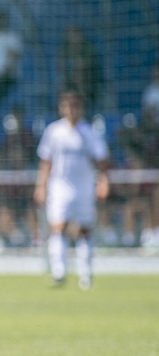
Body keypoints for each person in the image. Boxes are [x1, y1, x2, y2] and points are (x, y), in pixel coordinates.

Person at [34, 92, 110, 290]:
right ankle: (59, 272)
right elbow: (46, 162)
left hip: (84, 187)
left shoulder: (90, 132)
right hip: (60, 186)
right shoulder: (54, 131)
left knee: (84, 230)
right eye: (67, 106)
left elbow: (102, 160)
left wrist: (103, 181)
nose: (71, 110)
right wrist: (41, 186)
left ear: (81, 108)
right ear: (62, 108)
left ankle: (86, 274)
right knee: (58, 227)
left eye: (74, 106)